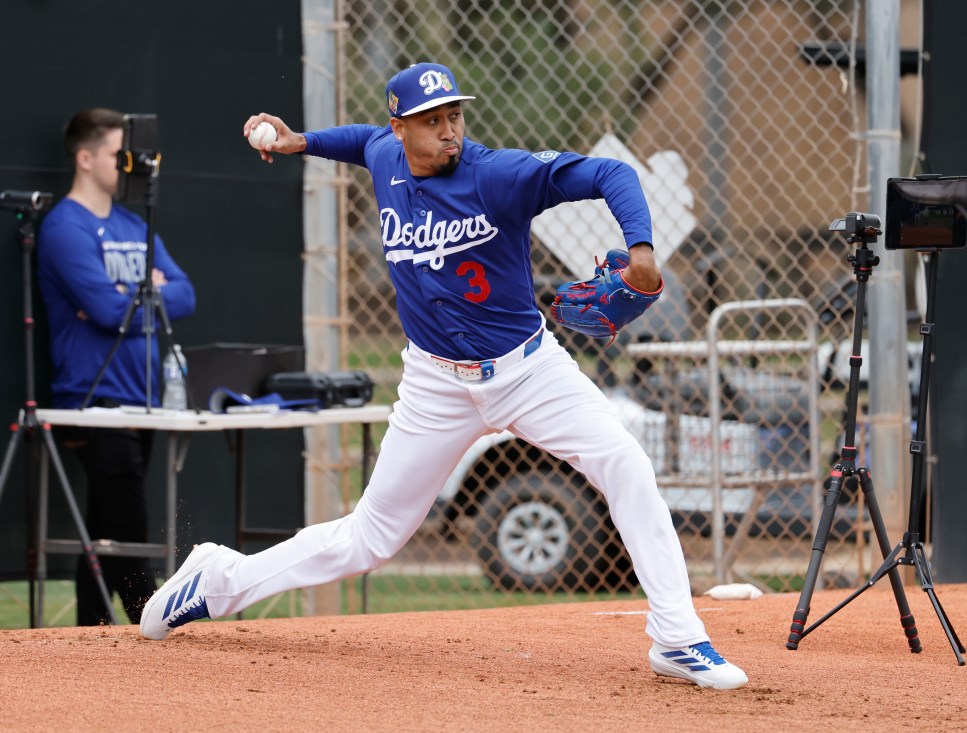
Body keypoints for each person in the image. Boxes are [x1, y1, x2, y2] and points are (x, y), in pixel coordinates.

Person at [140, 63, 747, 690]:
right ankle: (217, 579)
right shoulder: (386, 153)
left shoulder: (497, 174)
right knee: (369, 540)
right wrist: (303, 142)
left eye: (454, 115)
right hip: (434, 383)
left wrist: (641, 251)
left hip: (529, 370)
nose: (449, 130)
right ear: (401, 127)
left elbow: (610, 173)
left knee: (625, 464)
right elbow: (361, 140)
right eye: (431, 121)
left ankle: (677, 638)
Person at [37, 108, 197, 625]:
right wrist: (145, 293)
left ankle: (92, 631)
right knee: (125, 521)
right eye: (116, 154)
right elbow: (107, 312)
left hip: (143, 397)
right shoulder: (64, 227)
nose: (129, 164)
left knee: (105, 523)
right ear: (86, 159)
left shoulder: (133, 221)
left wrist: (131, 297)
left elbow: (188, 295)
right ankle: (153, 621)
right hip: (92, 400)